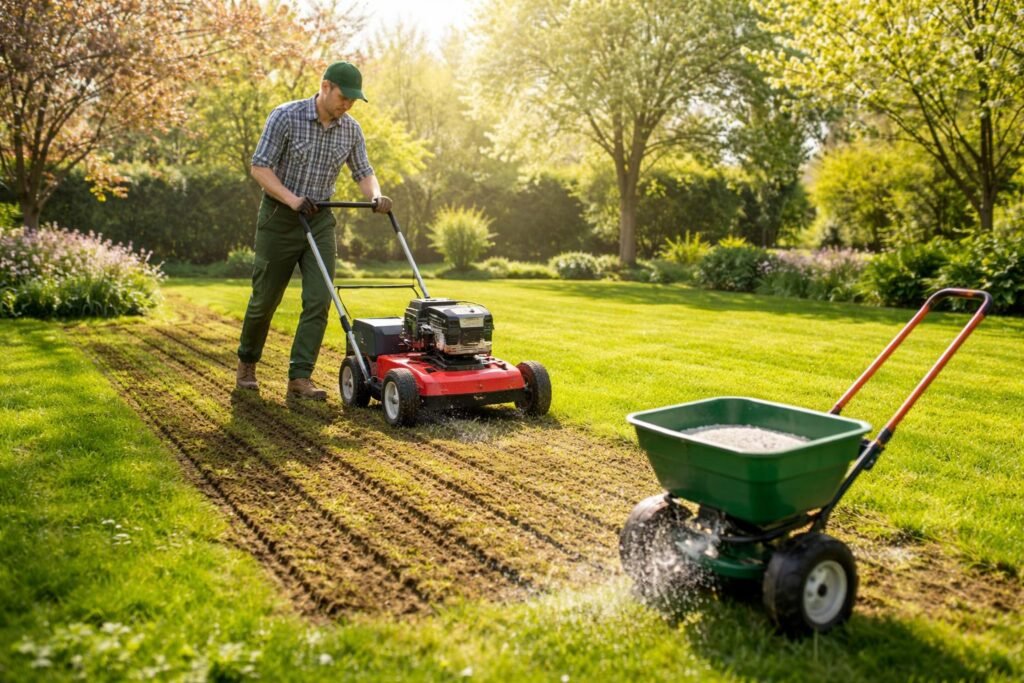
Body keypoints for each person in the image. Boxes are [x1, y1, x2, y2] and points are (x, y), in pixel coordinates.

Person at [236, 61, 392, 400]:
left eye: (353, 100)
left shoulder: (351, 130)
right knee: (264, 300)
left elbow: (363, 172)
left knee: (320, 299)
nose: (347, 105)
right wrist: (292, 199)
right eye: (343, 97)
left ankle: (300, 376)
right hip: (279, 217)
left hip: (319, 218)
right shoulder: (286, 116)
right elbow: (260, 167)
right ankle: (247, 362)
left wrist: (376, 195)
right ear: (325, 87)